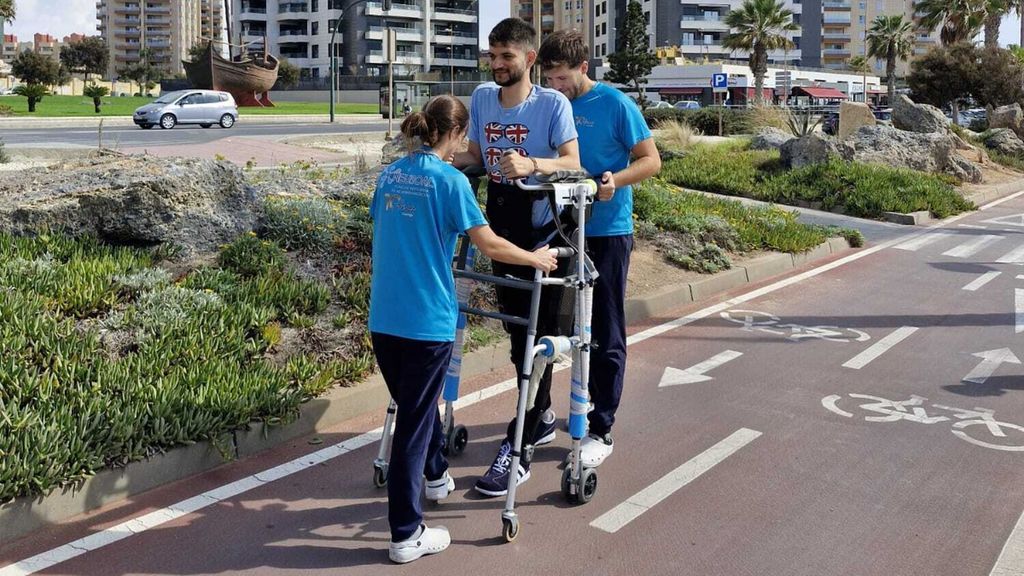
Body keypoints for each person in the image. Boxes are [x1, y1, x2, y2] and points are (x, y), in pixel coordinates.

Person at [369, 94, 558, 564]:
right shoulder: (451, 182)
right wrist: (535, 256)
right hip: (426, 320)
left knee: (417, 404)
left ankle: (435, 476)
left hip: (384, 318)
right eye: (463, 138)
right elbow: (489, 243)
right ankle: (406, 535)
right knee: (414, 423)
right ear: (454, 134)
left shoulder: (391, 175)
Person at [453, 17, 581, 498]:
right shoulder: (483, 97)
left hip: (544, 235)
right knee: (514, 334)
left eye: (507, 56)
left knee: (538, 336)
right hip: (500, 229)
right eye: (493, 55)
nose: (498, 64)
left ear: (529, 59)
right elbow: (477, 156)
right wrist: (442, 161)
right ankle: (543, 415)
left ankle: (520, 443)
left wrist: (533, 164)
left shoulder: (552, 104)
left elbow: (573, 162)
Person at [538, 29, 662, 467]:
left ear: (583, 68)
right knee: (549, 323)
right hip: (558, 227)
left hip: (607, 230)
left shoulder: (615, 105)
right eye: (549, 79)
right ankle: (542, 414)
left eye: (562, 78)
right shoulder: (550, 104)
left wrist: (612, 180)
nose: (556, 87)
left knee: (605, 328)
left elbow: (651, 159)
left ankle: (602, 427)